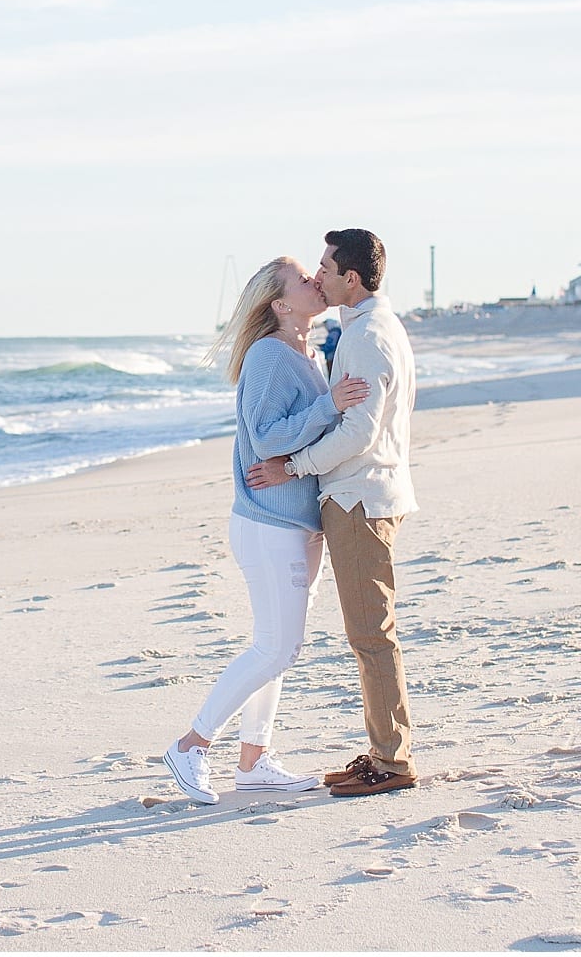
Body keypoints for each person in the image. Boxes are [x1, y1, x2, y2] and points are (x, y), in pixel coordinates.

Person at [162, 256, 370, 805]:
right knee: (275, 648)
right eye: (303, 280)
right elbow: (267, 438)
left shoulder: (304, 351)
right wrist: (330, 404)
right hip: (267, 520)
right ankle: (191, 744)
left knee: (279, 646)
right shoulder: (269, 356)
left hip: (299, 520)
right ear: (279, 304)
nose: (314, 282)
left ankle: (253, 762)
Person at [247, 228, 419, 798]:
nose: (317, 276)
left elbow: (359, 432)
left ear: (352, 278)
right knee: (370, 633)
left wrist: (291, 467)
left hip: (357, 501)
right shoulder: (365, 330)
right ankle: (382, 752)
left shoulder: (367, 337)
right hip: (361, 497)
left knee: (371, 635)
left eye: (325, 267)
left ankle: (392, 762)